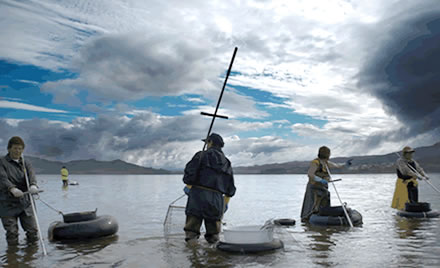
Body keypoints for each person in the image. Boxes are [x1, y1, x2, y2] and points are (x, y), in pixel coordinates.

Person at [182, 133, 236, 244]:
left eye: (207, 142)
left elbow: (188, 178)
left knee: (191, 233)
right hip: (217, 200)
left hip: (197, 197)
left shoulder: (200, 155)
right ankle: (214, 258)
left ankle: (193, 256)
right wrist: (224, 204)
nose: (206, 145)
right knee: (214, 236)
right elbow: (230, 189)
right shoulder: (227, 162)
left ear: (210, 142)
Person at [0, 136, 40, 245]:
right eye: (15, 148)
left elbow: (31, 175)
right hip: (7, 203)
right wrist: (12, 188)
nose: (18, 151)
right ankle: (12, 258)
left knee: (33, 231)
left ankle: (31, 258)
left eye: (20, 148)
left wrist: (33, 185)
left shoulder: (26, 163)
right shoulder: (1, 162)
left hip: (25, 202)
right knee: (12, 232)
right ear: (9, 149)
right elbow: (2, 178)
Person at [300, 146, 351, 222]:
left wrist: (345, 164)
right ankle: (307, 219)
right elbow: (310, 174)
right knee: (311, 205)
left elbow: (337, 165)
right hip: (314, 188)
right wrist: (320, 180)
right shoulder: (315, 163)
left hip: (323, 188)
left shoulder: (326, 163)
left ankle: (323, 219)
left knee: (324, 202)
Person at [391, 146, 428, 210]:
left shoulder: (413, 161)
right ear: (405, 154)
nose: (411, 154)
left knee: (414, 197)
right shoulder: (400, 161)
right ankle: (403, 209)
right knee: (403, 199)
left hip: (412, 182)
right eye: (409, 153)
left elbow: (419, 169)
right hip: (403, 182)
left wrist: (424, 175)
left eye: (411, 153)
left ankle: (414, 208)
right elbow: (405, 171)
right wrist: (417, 175)